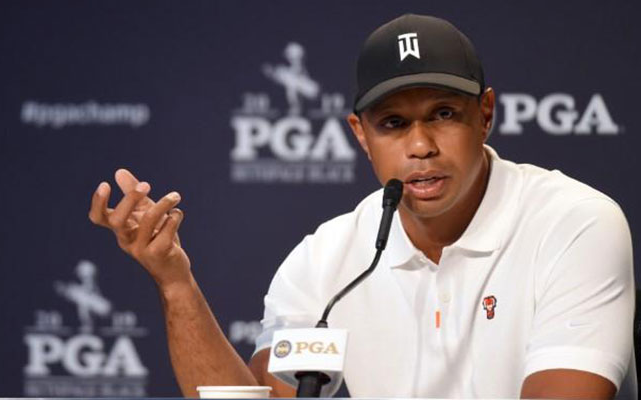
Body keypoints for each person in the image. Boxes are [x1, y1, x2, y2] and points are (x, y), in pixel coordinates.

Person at [88, 14, 635, 399]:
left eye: (443, 113)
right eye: (393, 123)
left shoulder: (574, 223)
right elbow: (269, 399)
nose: (420, 145)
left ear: (485, 114)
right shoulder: (328, 261)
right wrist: (176, 283)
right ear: (361, 135)